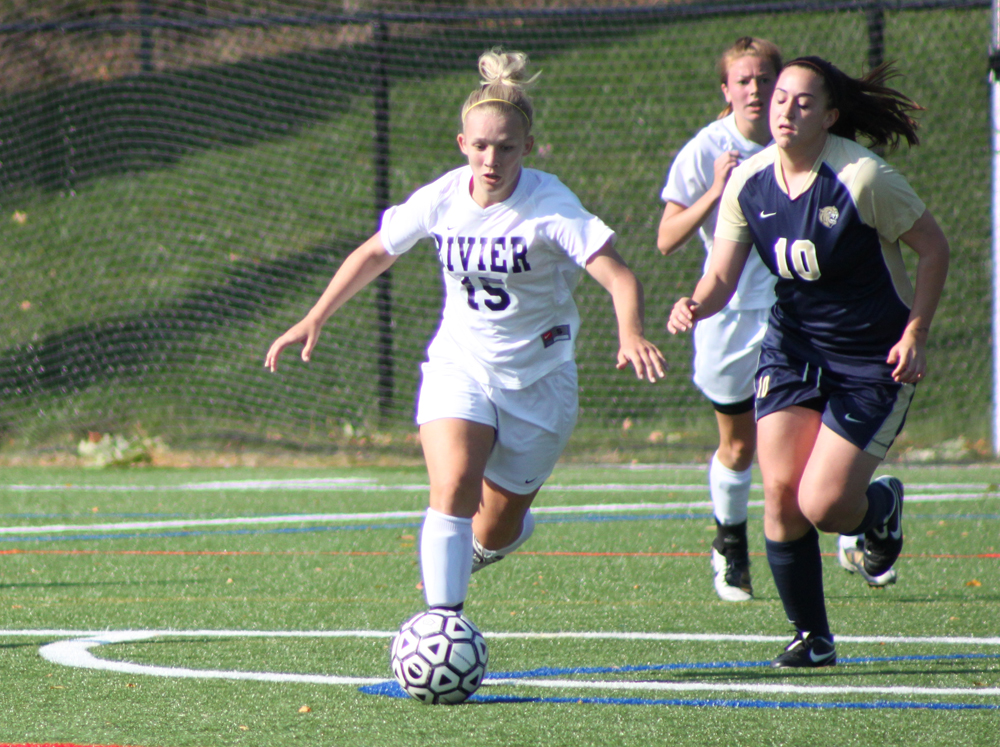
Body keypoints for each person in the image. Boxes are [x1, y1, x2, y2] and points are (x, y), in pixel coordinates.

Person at [266, 48, 666, 618]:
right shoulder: (444, 196)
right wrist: (315, 315)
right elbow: (377, 251)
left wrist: (630, 332)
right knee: (453, 485)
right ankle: (442, 625)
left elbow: (620, 276)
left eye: (505, 146)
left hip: (540, 380)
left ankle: (489, 543)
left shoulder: (551, 206)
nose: (491, 158)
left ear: (527, 147)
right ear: (462, 145)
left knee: (496, 529)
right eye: (480, 145)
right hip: (462, 364)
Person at [667, 57, 949, 667]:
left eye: (802, 101)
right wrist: (696, 303)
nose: (785, 109)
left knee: (824, 506)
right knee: (780, 493)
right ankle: (811, 638)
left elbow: (934, 248)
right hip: (794, 350)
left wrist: (916, 332)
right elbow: (720, 273)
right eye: (779, 99)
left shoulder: (864, 177)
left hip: (873, 360)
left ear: (830, 115)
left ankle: (879, 509)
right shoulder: (750, 181)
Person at [657, 37, 782, 603]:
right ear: (726, 91)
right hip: (727, 313)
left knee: (806, 446)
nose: (755, 89)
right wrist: (715, 188)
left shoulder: (804, 141)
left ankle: (857, 524)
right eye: (744, 80)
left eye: (764, 79)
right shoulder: (707, 149)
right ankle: (730, 547)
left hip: (795, 312)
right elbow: (666, 239)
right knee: (738, 446)